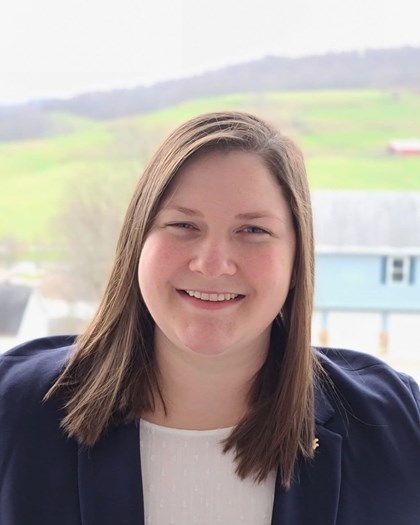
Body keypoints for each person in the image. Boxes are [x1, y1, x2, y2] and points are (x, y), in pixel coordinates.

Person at [0, 111, 419, 525]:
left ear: (296, 261)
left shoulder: (398, 424)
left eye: (252, 230)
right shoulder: (14, 409)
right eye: (183, 224)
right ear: (135, 245)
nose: (212, 264)